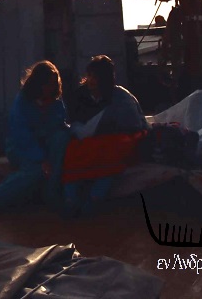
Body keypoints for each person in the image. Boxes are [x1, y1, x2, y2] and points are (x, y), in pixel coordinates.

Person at [0, 61, 71, 218]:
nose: (51, 88)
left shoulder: (55, 101)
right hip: (21, 148)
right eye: (48, 84)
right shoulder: (23, 102)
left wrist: (49, 111)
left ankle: (52, 192)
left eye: (53, 84)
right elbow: (22, 136)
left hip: (47, 145)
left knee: (62, 138)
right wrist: (41, 159)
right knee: (36, 171)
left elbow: (59, 124)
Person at [63, 55, 148, 215]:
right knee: (73, 150)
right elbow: (72, 121)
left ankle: (94, 198)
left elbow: (133, 125)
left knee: (111, 152)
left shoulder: (121, 98)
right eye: (90, 75)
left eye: (96, 77)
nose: (91, 80)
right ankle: (71, 199)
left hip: (117, 139)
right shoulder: (81, 95)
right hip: (92, 140)